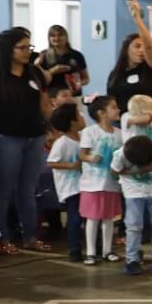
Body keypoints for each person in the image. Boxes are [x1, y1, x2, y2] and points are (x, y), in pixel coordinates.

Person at [0, 27, 54, 254]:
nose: (27, 51)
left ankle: (30, 236)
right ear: (8, 49)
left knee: (28, 189)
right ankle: (1, 238)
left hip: (34, 137)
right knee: (4, 189)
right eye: (22, 47)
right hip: (6, 138)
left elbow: (45, 106)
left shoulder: (35, 74)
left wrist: (53, 129)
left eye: (29, 47)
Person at [111, 135, 152, 275]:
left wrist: (145, 169)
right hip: (133, 191)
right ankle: (132, 260)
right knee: (133, 225)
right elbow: (114, 171)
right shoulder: (119, 154)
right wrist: (131, 171)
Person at [78, 94, 123, 264]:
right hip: (92, 184)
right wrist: (90, 158)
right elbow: (82, 154)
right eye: (113, 107)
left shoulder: (120, 133)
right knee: (92, 218)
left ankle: (107, 250)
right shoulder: (90, 132)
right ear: (101, 113)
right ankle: (90, 252)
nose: (118, 110)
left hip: (111, 183)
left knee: (109, 217)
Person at [107, 0, 152, 113]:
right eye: (137, 46)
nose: (142, 50)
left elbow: (148, 46)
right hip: (122, 126)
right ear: (126, 49)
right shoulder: (115, 74)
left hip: (147, 125)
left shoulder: (150, 69)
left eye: (143, 47)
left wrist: (137, 18)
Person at [46, 103, 85, 262]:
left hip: (85, 185)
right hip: (71, 187)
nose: (82, 117)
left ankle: (95, 246)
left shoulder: (84, 137)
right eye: (79, 115)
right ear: (72, 122)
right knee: (75, 218)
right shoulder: (62, 142)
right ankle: (74, 249)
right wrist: (72, 165)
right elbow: (51, 162)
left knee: (88, 217)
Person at [39, 24, 89, 99]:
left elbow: (86, 78)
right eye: (53, 36)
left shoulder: (77, 55)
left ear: (66, 37)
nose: (57, 38)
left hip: (73, 96)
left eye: (60, 35)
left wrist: (77, 84)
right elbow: (39, 79)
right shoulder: (43, 55)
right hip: (52, 97)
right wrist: (52, 71)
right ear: (49, 38)